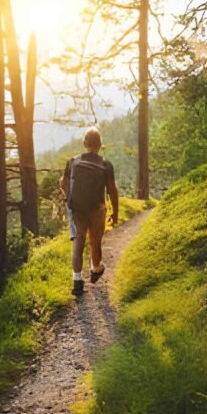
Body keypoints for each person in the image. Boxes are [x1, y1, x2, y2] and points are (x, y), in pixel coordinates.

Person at [60, 127, 118, 296]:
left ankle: (77, 281)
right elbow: (112, 190)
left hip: (77, 209)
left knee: (78, 242)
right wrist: (115, 211)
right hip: (97, 209)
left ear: (84, 143)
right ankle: (95, 269)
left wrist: (70, 199)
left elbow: (63, 184)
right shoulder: (106, 164)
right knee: (95, 241)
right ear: (100, 144)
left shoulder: (73, 162)